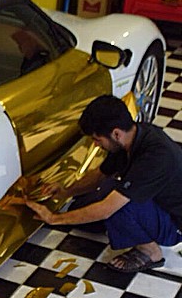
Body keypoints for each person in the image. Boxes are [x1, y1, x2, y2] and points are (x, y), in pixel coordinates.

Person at [25, 95, 182, 273]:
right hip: (159, 202)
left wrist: (54, 219)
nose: (95, 145)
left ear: (116, 134)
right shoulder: (131, 137)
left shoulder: (155, 156)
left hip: (176, 224)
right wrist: (66, 191)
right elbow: (100, 175)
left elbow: (107, 208)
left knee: (116, 204)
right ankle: (126, 227)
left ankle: (151, 252)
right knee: (101, 195)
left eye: (97, 139)